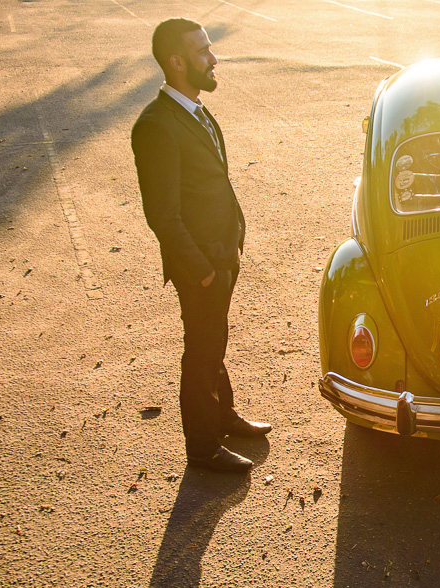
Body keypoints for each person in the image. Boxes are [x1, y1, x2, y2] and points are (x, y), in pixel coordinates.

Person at [131, 18, 271, 472]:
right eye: (203, 52)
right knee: (202, 349)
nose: (214, 59)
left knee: (214, 340)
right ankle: (203, 448)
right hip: (201, 264)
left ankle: (223, 416)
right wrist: (201, 269)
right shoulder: (156, 126)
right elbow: (162, 214)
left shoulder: (193, 108)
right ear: (176, 62)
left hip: (221, 251)